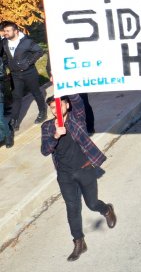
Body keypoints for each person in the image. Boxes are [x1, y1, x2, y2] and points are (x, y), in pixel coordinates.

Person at [40, 94, 117, 262]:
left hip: (84, 169)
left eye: (60, 105)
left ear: (67, 105)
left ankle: (106, 210)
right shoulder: (47, 127)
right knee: (72, 209)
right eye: (53, 107)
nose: (56, 109)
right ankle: (79, 242)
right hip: (64, 175)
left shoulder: (77, 119)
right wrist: (55, 136)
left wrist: (64, 82)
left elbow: (78, 101)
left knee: (91, 203)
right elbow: (45, 150)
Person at [1, 21, 48, 130]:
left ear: (16, 31)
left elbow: (39, 51)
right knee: (16, 97)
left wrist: (28, 63)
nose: (5, 33)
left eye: (8, 31)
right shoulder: (4, 42)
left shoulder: (27, 42)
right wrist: (8, 64)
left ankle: (42, 112)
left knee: (36, 93)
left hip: (29, 73)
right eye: (4, 31)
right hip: (15, 75)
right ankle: (14, 121)